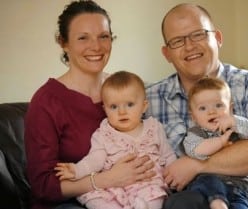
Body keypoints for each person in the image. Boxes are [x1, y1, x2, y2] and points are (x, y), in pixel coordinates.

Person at [144, 3, 248, 209]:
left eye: (198, 34)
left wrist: (196, 164)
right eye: (177, 41)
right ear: (166, 53)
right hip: (192, 201)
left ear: (218, 38)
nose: (189, 46)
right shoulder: (150, 100)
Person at [25, 1, 154, 209]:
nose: (96, 46)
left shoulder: (124, 90)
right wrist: (107, 179)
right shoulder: (46, 102)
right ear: (63, 42)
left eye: (103, 36)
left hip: (128, 195)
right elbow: (43, 185)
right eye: (83, 38)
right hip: (67, 204)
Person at [54, 71, 177, 209]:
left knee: (155, 198)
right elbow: (95, 159)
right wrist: (76, 170)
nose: (122, 112)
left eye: (129, 104)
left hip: (147, 183)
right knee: (93, 197)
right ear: (105, 109)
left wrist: (174, 177)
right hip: (112, 186)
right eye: (113, 107)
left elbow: (168, 155)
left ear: (144, 106)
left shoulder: (154, 128)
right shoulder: (103, 134)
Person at [183, 77, 248, 209]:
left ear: (230, 108)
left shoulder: (235, 128)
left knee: (241, 205)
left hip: (236, 187)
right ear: (193, 116)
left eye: (218, 105)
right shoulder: (195, 133)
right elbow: (195, 151)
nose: (211, 111)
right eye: (202, 108)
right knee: (210, 182)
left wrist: (234, 121)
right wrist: (220, 141)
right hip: (206, 188)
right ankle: (218, 203)